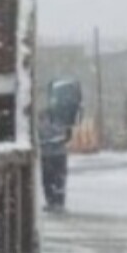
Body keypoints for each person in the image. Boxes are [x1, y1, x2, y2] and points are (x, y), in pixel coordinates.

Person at [40, 79, 84, 213]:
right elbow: (67, 135)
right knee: (55, 178)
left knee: (52, 178)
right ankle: (55, 201)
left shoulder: (56, 117)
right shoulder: (63, 117)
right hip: (54, 153)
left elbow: (66, 135)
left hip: (51, 153)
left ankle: (55, 201)